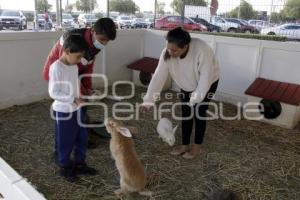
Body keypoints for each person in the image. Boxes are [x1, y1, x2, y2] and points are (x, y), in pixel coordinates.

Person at [141, 27, 220, 159]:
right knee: (186, 113)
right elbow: (158, 78)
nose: (170, 52)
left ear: (185, 46)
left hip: (208, 82)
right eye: (168, 48)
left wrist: (193, 101)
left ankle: (196, 147)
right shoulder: (167, 53)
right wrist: (148, 101)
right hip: (187, 82)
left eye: (175, 50)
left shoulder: (202, 50)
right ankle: (184, 144)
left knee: (199, 113)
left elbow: (205, 79)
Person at [43, 18, 117, 157]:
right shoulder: (71, 38)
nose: (104, 43)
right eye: (102, 39)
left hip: (74, 72)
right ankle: (60, 150)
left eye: (107, 41)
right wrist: (79, 93)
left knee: (81, 104)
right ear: (93, 31)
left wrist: (88, 88)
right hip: (60, 74)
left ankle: (81, 136)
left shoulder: (94, 44)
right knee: (67, 113)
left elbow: (88, 66)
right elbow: (64, 65)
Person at [49, 34, 98, 182]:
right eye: (77, 56)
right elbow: (53, 92)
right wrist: (73, 99)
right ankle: (64, 166)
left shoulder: (74, 66)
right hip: (64, 111)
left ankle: (79, 164)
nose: (79, 60)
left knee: (82, 137)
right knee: (66, 140)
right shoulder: (56, 67)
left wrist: (83, 95)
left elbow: (75, 84)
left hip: (77, 108)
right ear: (67, 51)